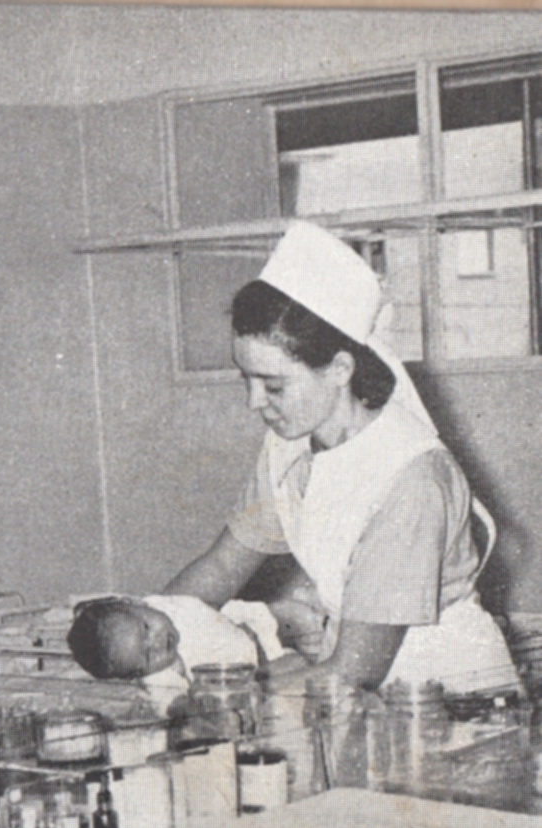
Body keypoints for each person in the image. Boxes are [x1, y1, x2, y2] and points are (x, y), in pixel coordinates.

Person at [165, 221, 519, 697]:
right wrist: (146, 622)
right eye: (244, 380)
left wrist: (220, 689)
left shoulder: (411, 474)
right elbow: (223, 567)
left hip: (452, 694)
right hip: (355, 682)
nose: (253, 402)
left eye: (272, 385)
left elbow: (353, 672)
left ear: (339, 369)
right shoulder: (290, 446)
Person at [66, 593, 295, 712]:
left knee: (291, 614)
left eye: (146, 629)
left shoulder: (159, 605)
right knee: (298, 669)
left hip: (252, 628)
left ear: (137, 604)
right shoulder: (162, 675)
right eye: (147, 656)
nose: (157, 644)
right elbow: (172, 702)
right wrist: (195, 706)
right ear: (137, 673)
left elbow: (208, 612)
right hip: (251, 678)